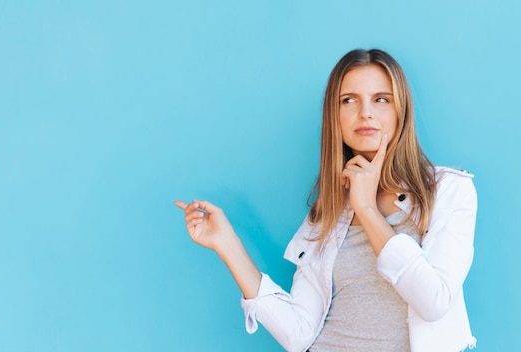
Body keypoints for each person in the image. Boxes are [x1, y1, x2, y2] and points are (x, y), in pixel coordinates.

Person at [174, 49, 477, 352]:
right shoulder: (328, 213)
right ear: (335, 115)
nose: (365, 113)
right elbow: (299, 334)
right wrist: (227, 244)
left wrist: (367, 209)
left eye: (381, 99)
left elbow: (433, 301)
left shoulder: (448, 191)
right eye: (349, 100)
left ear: (402, 110)